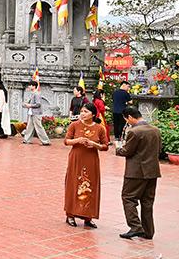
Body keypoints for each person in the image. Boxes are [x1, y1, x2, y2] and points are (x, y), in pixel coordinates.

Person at [115, 106, 161, 240]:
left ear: (129, 117)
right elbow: (159, 149)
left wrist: (118, 148)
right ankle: (148, 231)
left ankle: (135, 227)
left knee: (128, 198)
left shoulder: (134, 132)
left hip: (135, 172)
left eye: (126, 120)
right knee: (147, 202)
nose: (127, 123)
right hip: (152, 171)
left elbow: (127, 151)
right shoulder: (155, 130)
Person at [64, 103, 108, 228]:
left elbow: (105, 146)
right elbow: (66, 141)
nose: (82, 114)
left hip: (91, 159)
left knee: (90, 185)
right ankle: (70, 214)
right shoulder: (74, 125)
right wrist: (77, 140)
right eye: (82, 111)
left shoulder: (100, 128)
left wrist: (95, 145)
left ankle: (88, 217)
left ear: (93, 114)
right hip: (76, 158)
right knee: (73, 184)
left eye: (86, 112)